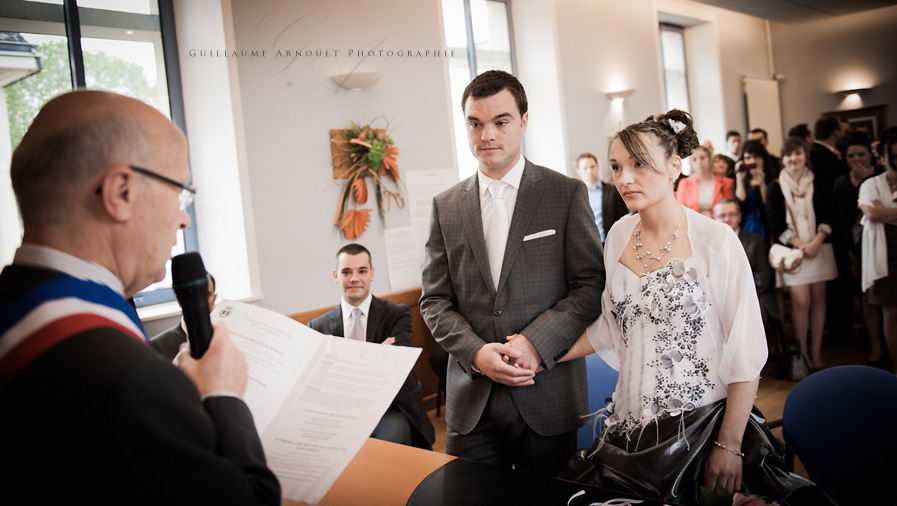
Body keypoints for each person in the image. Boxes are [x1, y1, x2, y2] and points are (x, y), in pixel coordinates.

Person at [0, 91, 279, 504]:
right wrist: (222, 395)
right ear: (121, 192)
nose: (183, 218)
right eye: (179, 191)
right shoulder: (132, 381)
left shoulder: (15, 305)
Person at [550, 111, 824, 505]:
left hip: (703, 426)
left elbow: (746, 352)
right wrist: (542, 355)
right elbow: (612, 326)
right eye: (617, 167)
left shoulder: (715, 240)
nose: (625, 178)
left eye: (639, 164)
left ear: (674, 167)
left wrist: (729, 446)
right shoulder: (618, 235)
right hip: (629, 430)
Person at [420, 70, 605, 476]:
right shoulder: (444, 206)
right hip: (472, 401)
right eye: (475, 123)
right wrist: (475, 352)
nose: (487, 135)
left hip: (546, 393)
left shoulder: (565, 193)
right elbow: (434, 301)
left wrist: (536, 343)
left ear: (524, 121)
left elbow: (591, 285)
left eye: (500, 121)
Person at [308, 243, 435, 449]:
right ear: (336, 276)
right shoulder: (318, 327)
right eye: (346, 272)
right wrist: (377, 353)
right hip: (340, 410)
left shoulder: (397, 314)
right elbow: (321, 379)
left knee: (393, 440)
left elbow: (395, 365)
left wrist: (345, 366)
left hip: (389, 408)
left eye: (362, 271)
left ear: (372, 274)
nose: (354, 278)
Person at [766, 137, 838, 371]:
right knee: (800, 302)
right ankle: (802, 352)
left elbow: (828, 215)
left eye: (798, 153)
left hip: (819, 247)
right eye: (788, 155)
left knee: (819, 299)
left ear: (805, 155)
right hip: (792, 253)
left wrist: (815, 242)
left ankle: (816, 352)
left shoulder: (818, 182)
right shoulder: (776, 186)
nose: (793, 158)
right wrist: (800, 245)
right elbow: (774, 221)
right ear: (783, 159)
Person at [833, 132, 882, 364]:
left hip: (879, 244)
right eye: (851, 156)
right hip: (853, 247)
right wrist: (852, 252)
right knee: (865, 297)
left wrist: (867, 180)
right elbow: (841, 220)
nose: (856, 159)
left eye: (861, 154)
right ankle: (876, 346)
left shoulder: (879, 179)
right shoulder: (841, 183)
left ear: (870, 155)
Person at [713, 199, 780, 355]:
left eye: (732, 214)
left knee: (750, 314)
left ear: (739, 217)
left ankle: (749, 358)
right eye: (722, 215)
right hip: (719, 298)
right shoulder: (709, 243)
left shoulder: (756, 240)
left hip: (754, 295)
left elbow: (763, 276)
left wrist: (740, 297)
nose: (727, 219)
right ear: (714, 218)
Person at [859, 134, 897, 375]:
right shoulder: (871, 184)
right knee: (891, 314)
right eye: (894, 156)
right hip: (885, 256)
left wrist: (887, 212)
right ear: (884, 158)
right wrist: (883, 213)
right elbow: (871, 214)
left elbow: (878, 213)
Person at [151, 271, 217, 361]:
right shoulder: (157, 346)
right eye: (191, 295)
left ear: (214, 298)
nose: (198, 301)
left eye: (206, 294)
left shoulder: (230, 335)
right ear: (179, 300)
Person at [576, 152, 629, 243]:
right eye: (585, 168)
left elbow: (624, 218)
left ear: (597, 167)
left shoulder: (612, 191)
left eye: (592, 167)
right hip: (587, 244)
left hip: (611, 242)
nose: (589, 171)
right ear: (578, 171)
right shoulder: (576, 195)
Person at [675, 145, 734, 218]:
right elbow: (681, 211)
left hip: (719, 222)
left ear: (710, 159)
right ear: (691, 164)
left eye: (702, 158)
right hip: (693, 223)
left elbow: (730, 210)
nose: (699, 162)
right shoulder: (684, 183)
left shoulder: (726, 182)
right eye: (695, 159)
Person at [734, 140, 774, 236]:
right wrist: (739, 179)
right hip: (747, 226)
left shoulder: (771, 178)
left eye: (756, 157)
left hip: (767, 224)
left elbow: (767, 204)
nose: (752, 161)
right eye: (748, 158)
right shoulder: (742, 179)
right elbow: (740, 202)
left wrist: (762, 183)